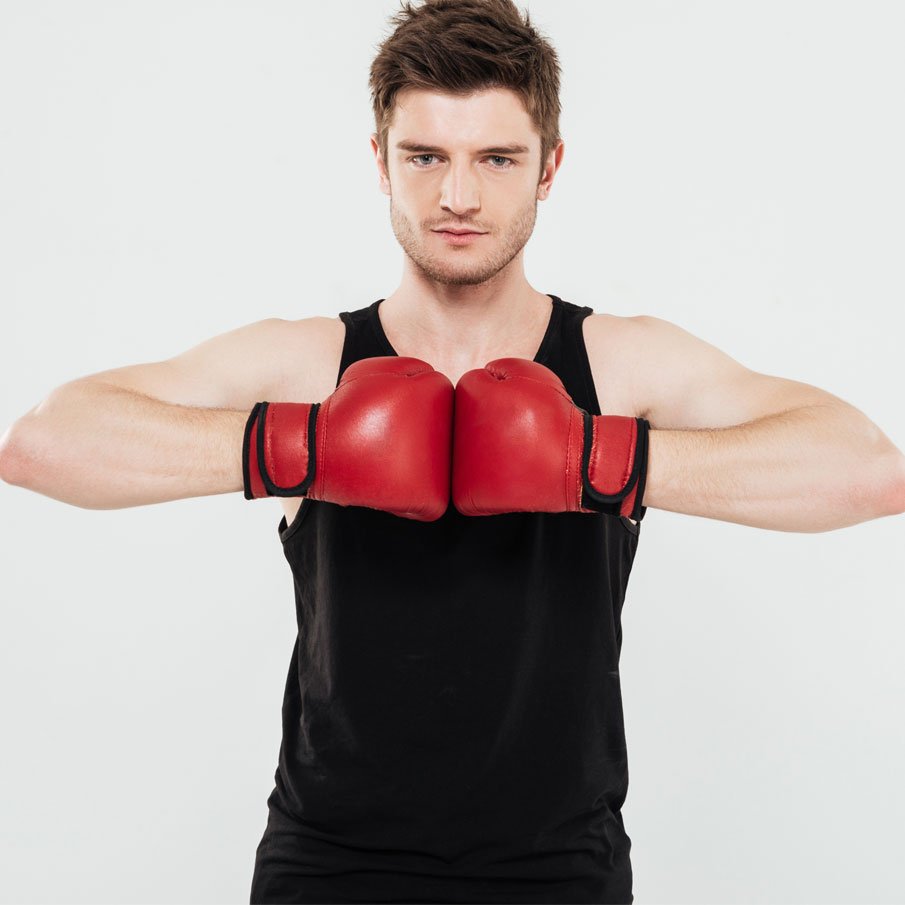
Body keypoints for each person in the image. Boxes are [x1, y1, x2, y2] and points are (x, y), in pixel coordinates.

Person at [1, 0, 903, 902]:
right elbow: (43, 444)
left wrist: (599, 460)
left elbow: (865, 467)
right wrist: (305, 447)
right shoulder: (311, 363)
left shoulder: (619, 364)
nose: (458, 197)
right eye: (424, 156)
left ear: (549, 166)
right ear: (379, 161)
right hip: (327, 864)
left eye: (496, 159)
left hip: (559, 868)